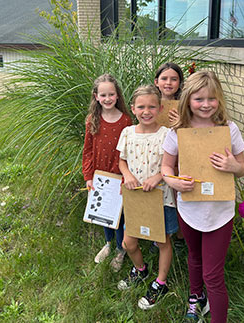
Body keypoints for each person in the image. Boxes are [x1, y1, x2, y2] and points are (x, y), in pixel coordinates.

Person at [161, 71, 244, 322]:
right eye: (199, 99)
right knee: (194, 257)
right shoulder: (178, 131)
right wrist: (172, 180)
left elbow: (242, 168)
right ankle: (195, 297)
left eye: (212, 99)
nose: (206, 104)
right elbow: (166, 167)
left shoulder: (228, 130)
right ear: (188, 100)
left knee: (213, 274)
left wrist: (233, 166)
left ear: (219, 100)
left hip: (219, 212)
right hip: (189, 208)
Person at [116, 85, 178, 310]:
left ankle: (161, 281)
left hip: (160, 196)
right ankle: (141, 270)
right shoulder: (127, 133)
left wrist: (158, 176)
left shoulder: (166, 134)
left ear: (160, 108)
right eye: (141, 106)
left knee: (162, 241)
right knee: (128, 242)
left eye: (152, 106)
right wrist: (127, 174)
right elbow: (122, 160)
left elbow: (172, 165)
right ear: (133, 108)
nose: (146, 111)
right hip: (135, 198)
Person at [82, 74, 132, 272]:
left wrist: (126, 176)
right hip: (100, 176)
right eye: (103, 95)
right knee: (104, 211)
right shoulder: (92, 120)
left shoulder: (126, 121)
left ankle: (121, 249)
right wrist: (88, 176)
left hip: (119, 176)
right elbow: (87, 150)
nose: (108, 98)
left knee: (119, 216)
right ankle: (109, 243)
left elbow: (129, 152)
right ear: (96, 96)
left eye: (111, 94)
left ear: (117, 95)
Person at [154, 62, 186, 254]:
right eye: (164, 78)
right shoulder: (151, 103)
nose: (168, 83)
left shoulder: (185, 105)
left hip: (178, 159)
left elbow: (192, 135)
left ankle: (181, 236)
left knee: (177, 197)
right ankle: (158, 235)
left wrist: (180, 124)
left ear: (180, 83)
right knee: (158, 196)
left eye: (174, 79)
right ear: (156, 82)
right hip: (155, 158)